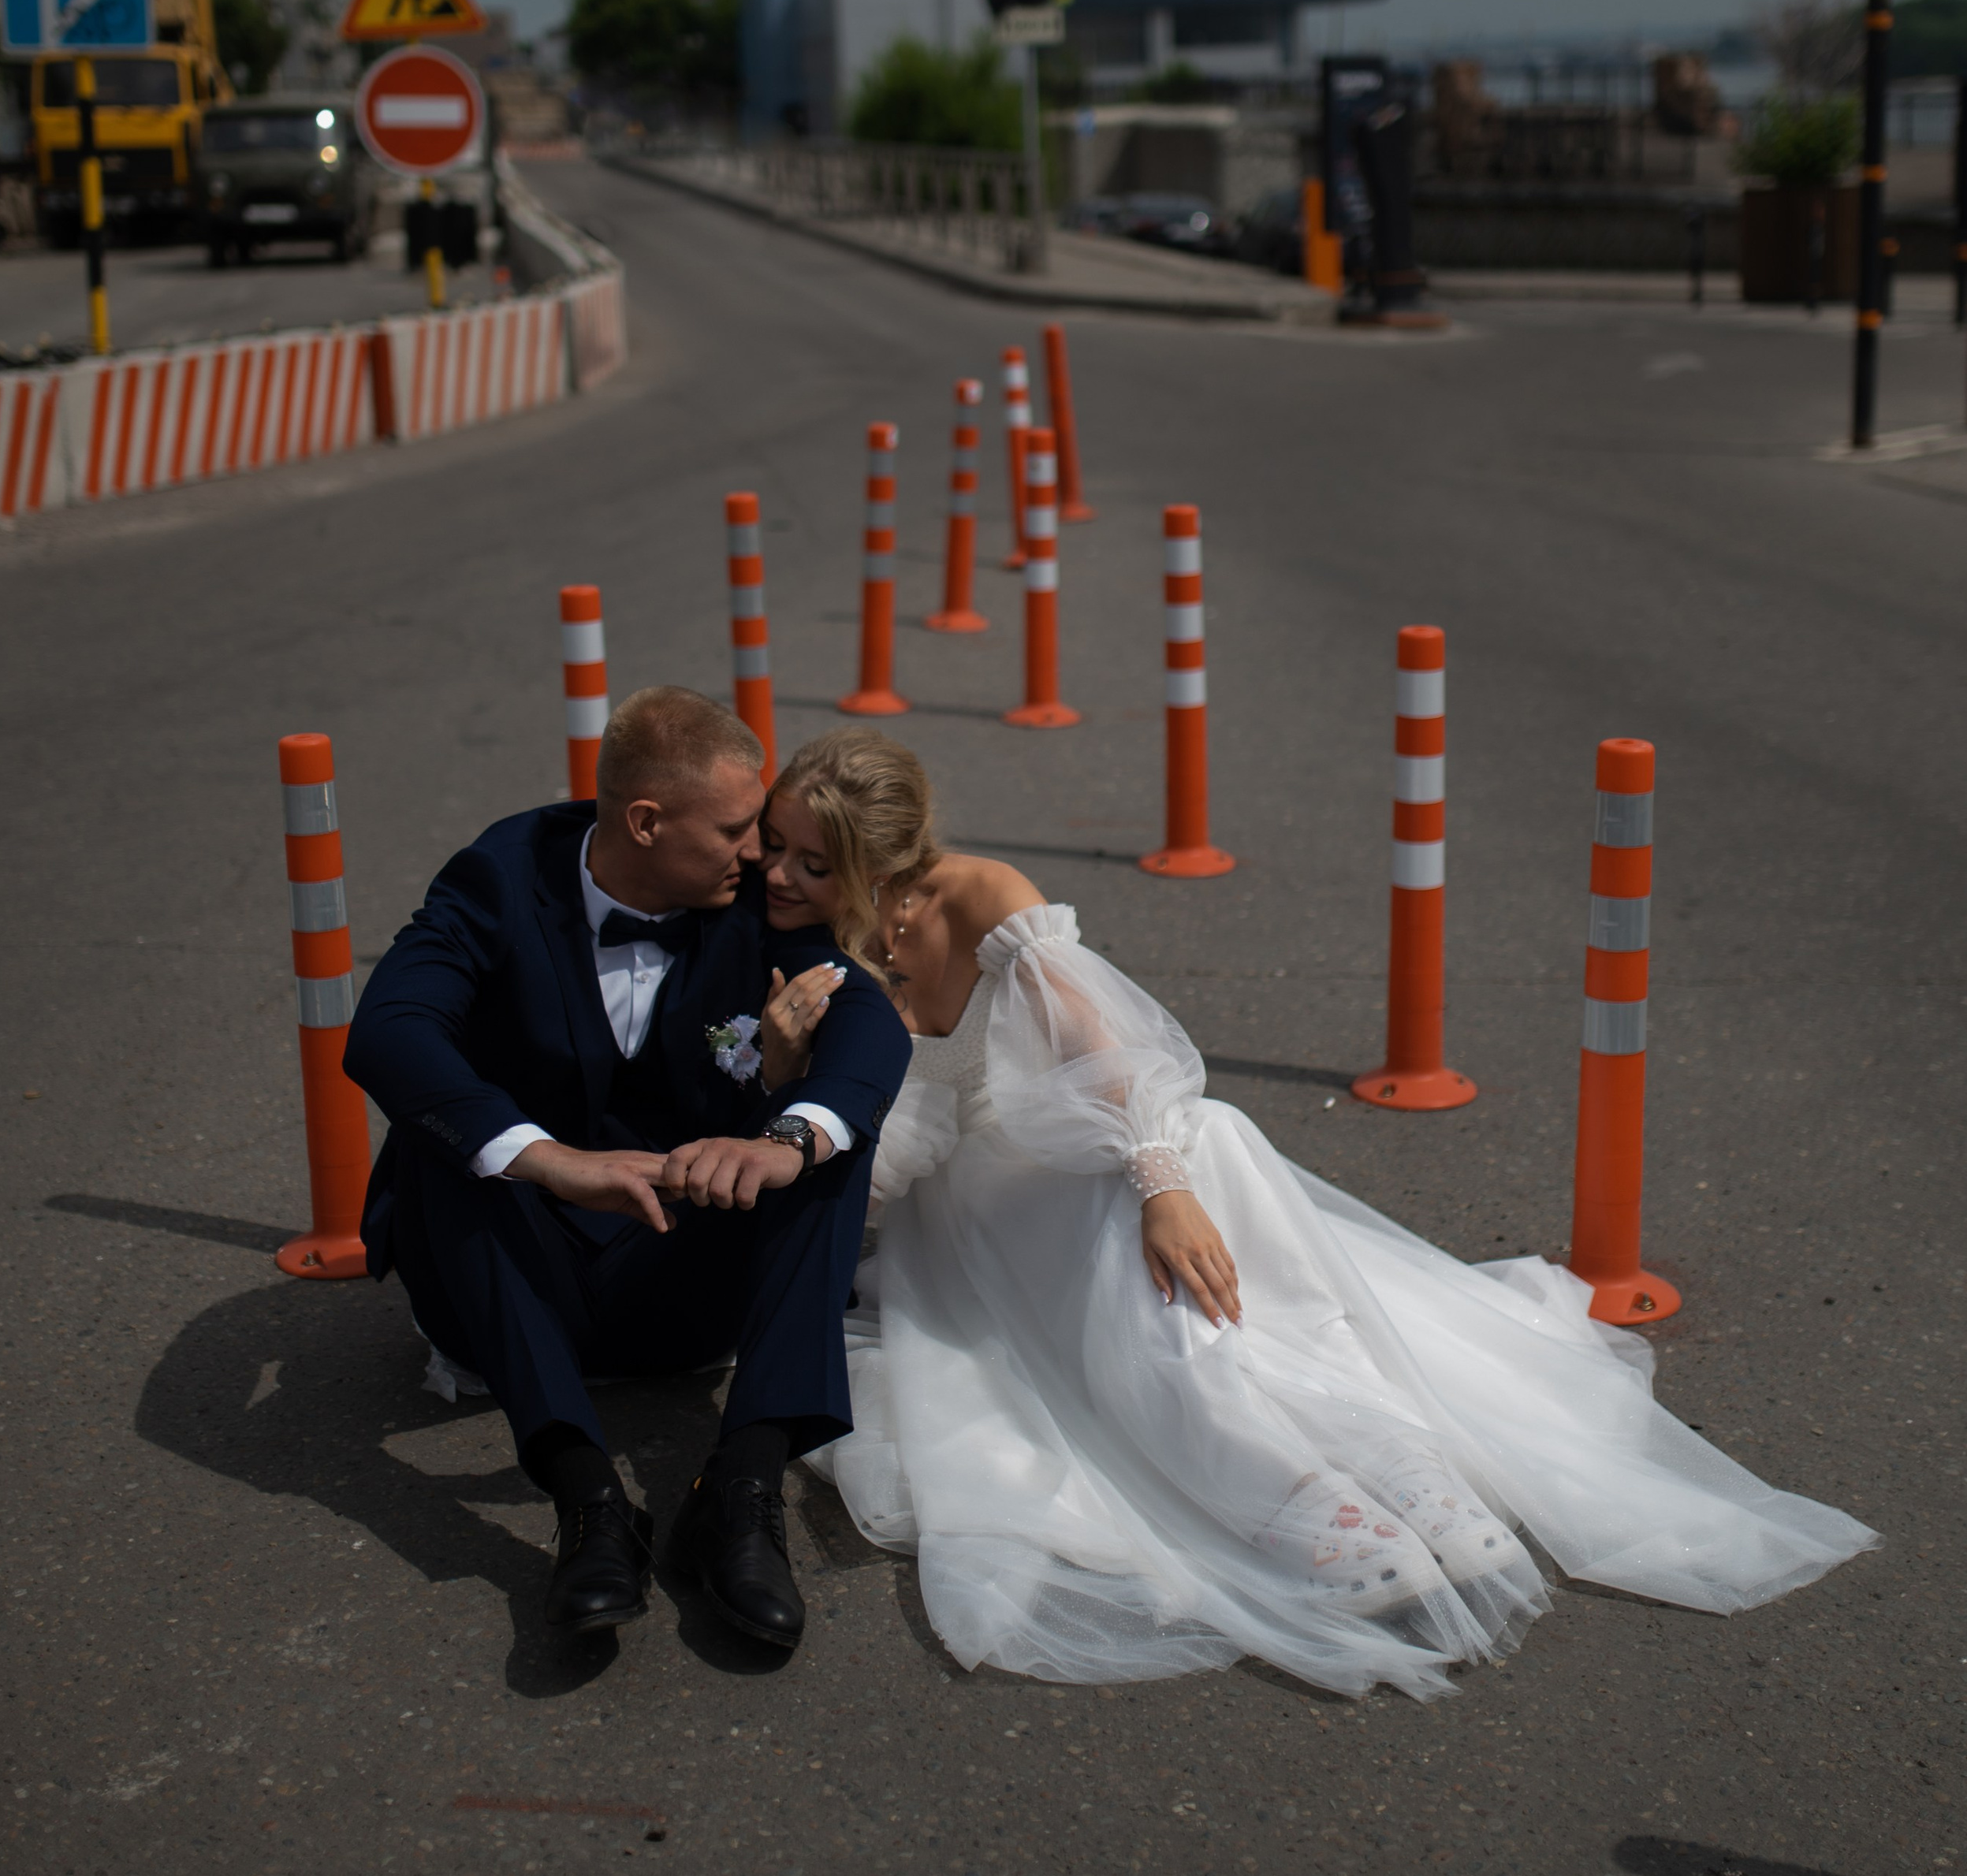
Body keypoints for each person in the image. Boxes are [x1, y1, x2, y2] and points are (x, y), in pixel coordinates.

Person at [760, 731, 1879, 1701]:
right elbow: (890, 1161)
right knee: (1107, 1282)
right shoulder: (804, 962)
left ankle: (1390, 1458)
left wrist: (1163, 1186)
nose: (781, 874)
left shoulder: (980, 897)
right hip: (979, 1209)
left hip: (1100, 1146)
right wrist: (787, 1058)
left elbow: (1110, 1050)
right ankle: (1295, 1496)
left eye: (816, 861)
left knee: (1210, 1154)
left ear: (883, 857)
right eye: (775, 847)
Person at [344, 687, 911, 1652]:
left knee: (823, 1142)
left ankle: (739, 1487)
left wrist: (781, 1140)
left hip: (679, 1268)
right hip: (515, 1281)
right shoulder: (499, 874)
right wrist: (552, 1162)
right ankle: (588, 1500)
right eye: (736, 829)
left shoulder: (757, 902)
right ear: (645, 821)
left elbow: (862, 1016)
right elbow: (389, 1028)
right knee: (447, 1137)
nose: (759, 857)